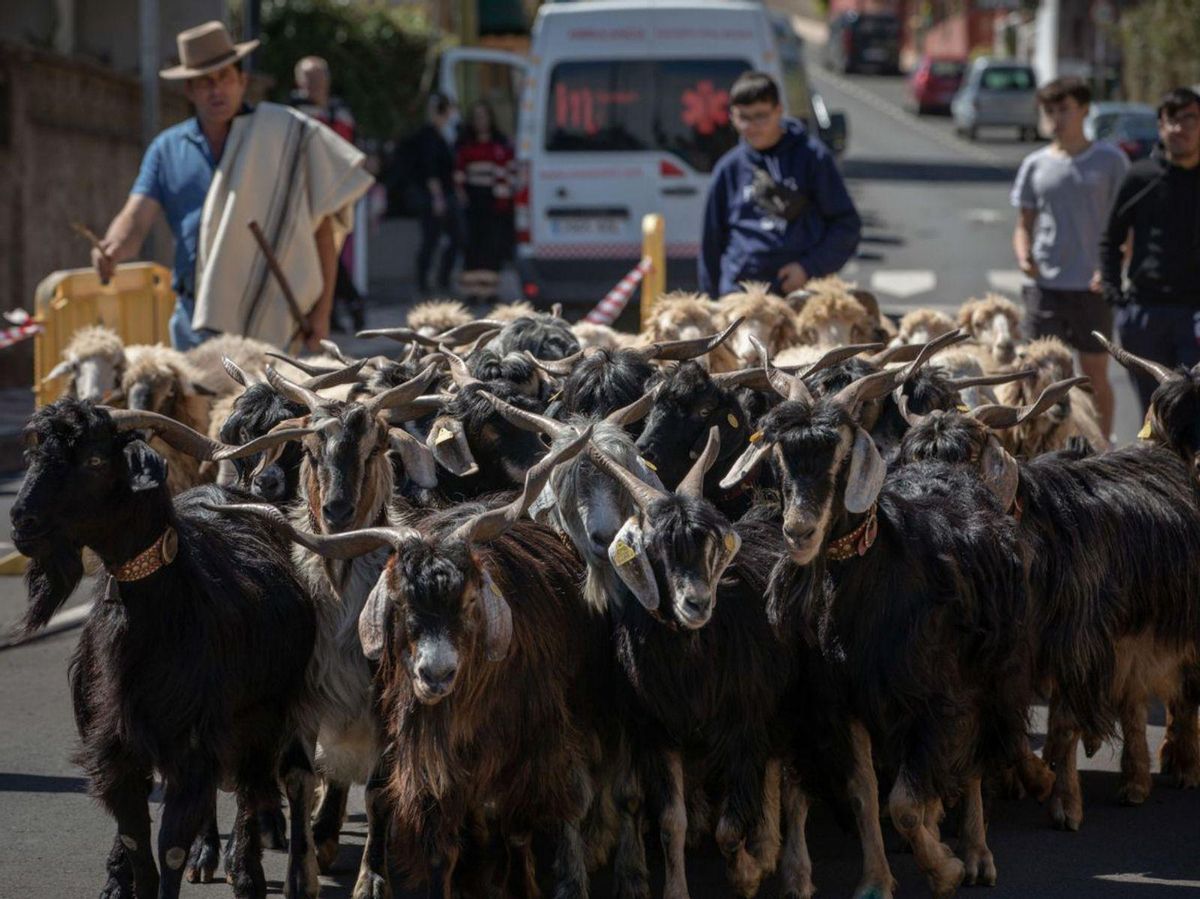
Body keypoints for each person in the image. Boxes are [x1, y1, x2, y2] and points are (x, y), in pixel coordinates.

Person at [93, 22, 368, 351]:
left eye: (224, 77)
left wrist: (322, 315)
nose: (216, 90)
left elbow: (321, 229)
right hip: (196, 320)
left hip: (273, 317)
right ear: (189, 90)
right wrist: (110, 248)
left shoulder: (284, 136)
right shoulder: (167, 149)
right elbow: (135, 219)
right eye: (205, 82)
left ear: (242, 80)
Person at [1011, 76, 1128, 437]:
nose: (1056, 118)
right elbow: (1023, 224)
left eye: (1064, 109)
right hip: (1045, 286)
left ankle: (1101, 448)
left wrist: (1111, 270)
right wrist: (1023, 255)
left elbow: (1127, 226)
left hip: (1091, 286)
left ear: (1084, 110)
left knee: (1093, 375)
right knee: (1038, 374)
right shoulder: (1035, 165)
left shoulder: (1111, 161)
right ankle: (1041, 446)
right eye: (1050, 110)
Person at [699, 71, 861, 299]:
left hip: (798, 292)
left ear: (779, 110)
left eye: (761, 116)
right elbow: (711, 244)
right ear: (732, 117)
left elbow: (846, 226)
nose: (752, 126)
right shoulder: (728, 169)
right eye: (743, 118)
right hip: (740, 294)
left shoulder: (812, 158)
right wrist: (711, 301)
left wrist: (809, 268)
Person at [1100, 86, 1200, 412]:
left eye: (1189, 119)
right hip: (1145, 315)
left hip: (1195, 315)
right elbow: (1110, 239)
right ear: (1160, 125)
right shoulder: (1140, 177)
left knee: (1192, 413)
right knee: (1154, 412)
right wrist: (1117, 299)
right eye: (1171, 119)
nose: (1179, 128)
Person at [289, 55, 366, 332]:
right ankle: (347, 303)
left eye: (320, 77)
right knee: (320, 255)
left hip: (340, 194)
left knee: (335, 253)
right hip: (307, 196)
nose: (315, 84)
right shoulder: (292, 113)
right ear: (299, 81)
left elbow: (354, 148)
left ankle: (338, 308)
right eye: (309, 78)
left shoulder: (341, 111)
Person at [454, 102, 515, 302]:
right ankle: (472, 291)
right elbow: (459, 172)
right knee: (473, 245)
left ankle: (489, 291)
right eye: (477, 117)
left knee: (492, 245)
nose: (481, 122)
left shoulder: (500, 144)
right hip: (473, 200)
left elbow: (508, 170)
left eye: (484, 117)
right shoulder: (466, 145)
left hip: (495, 200)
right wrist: (462, 195)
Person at [413, 93, 461, 296]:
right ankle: (424, 281)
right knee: (431, 239)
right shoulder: (430, 135)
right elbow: (430, 170)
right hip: (435, 197)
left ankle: (442, 278)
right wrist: (438, 198)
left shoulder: (443, 134)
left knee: (456, 237)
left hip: (446, 194)